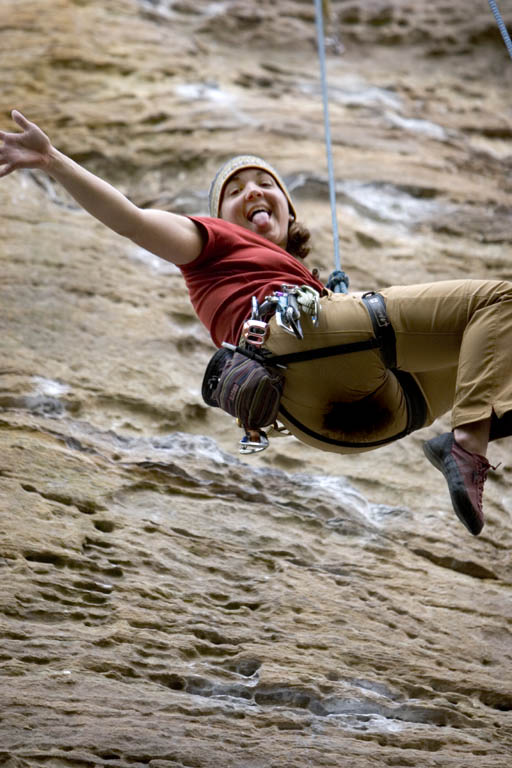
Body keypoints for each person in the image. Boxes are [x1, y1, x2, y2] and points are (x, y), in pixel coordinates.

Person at [1, 110, 511, 537]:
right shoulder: (209, 243)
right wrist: (52, 161)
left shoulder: (299, 278)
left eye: (266, 185)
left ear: (289, 215)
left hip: (345, 418)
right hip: (297, 348)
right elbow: (133, 220)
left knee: (490, 344)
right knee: (502, 301)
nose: (252, 193)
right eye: (235, 191)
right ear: (218, 216)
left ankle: (476, 429)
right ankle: (468, 444)